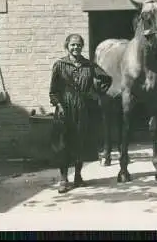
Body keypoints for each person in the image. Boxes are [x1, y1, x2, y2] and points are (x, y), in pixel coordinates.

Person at [49, 34, 113, 194]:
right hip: (64, 108)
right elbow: (53, 91)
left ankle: (78, 176)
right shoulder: (59, 65)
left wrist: (96, 93)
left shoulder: (89, 65)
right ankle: (64, 179)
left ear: (82, 47)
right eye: (72, 45)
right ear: (67, 46)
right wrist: (59, 105)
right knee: (63, 143)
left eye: (78, 45)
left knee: (80, 142)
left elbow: (106, 79)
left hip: (83, 108)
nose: (75, 48)